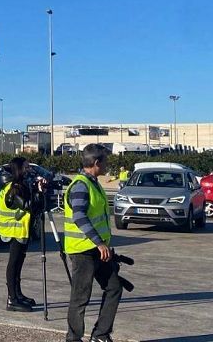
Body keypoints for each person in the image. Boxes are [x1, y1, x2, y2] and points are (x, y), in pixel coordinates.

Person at [64, 144, 122, 342]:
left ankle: (100, 334)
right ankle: (73, 338)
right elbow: (79, 216)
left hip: (99, 251)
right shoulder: (81, 185)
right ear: (96, 163)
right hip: (83, 251)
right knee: (80, 297)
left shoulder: (93, 182)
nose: (107, 165)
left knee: (114, 287)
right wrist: (99, 242)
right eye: (105, 161)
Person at [0, 157, 46, 312]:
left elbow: (34, 208)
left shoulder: (21, 185)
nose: (28, 170)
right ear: (18, 169)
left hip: (21, 231)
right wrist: (38, 193)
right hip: (14, 231)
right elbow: (27, 206)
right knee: (14, 263)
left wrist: (39, 192)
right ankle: (12, 299)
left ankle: (18, 294)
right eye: (25, 167)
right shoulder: (13, 188)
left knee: (19, 263)